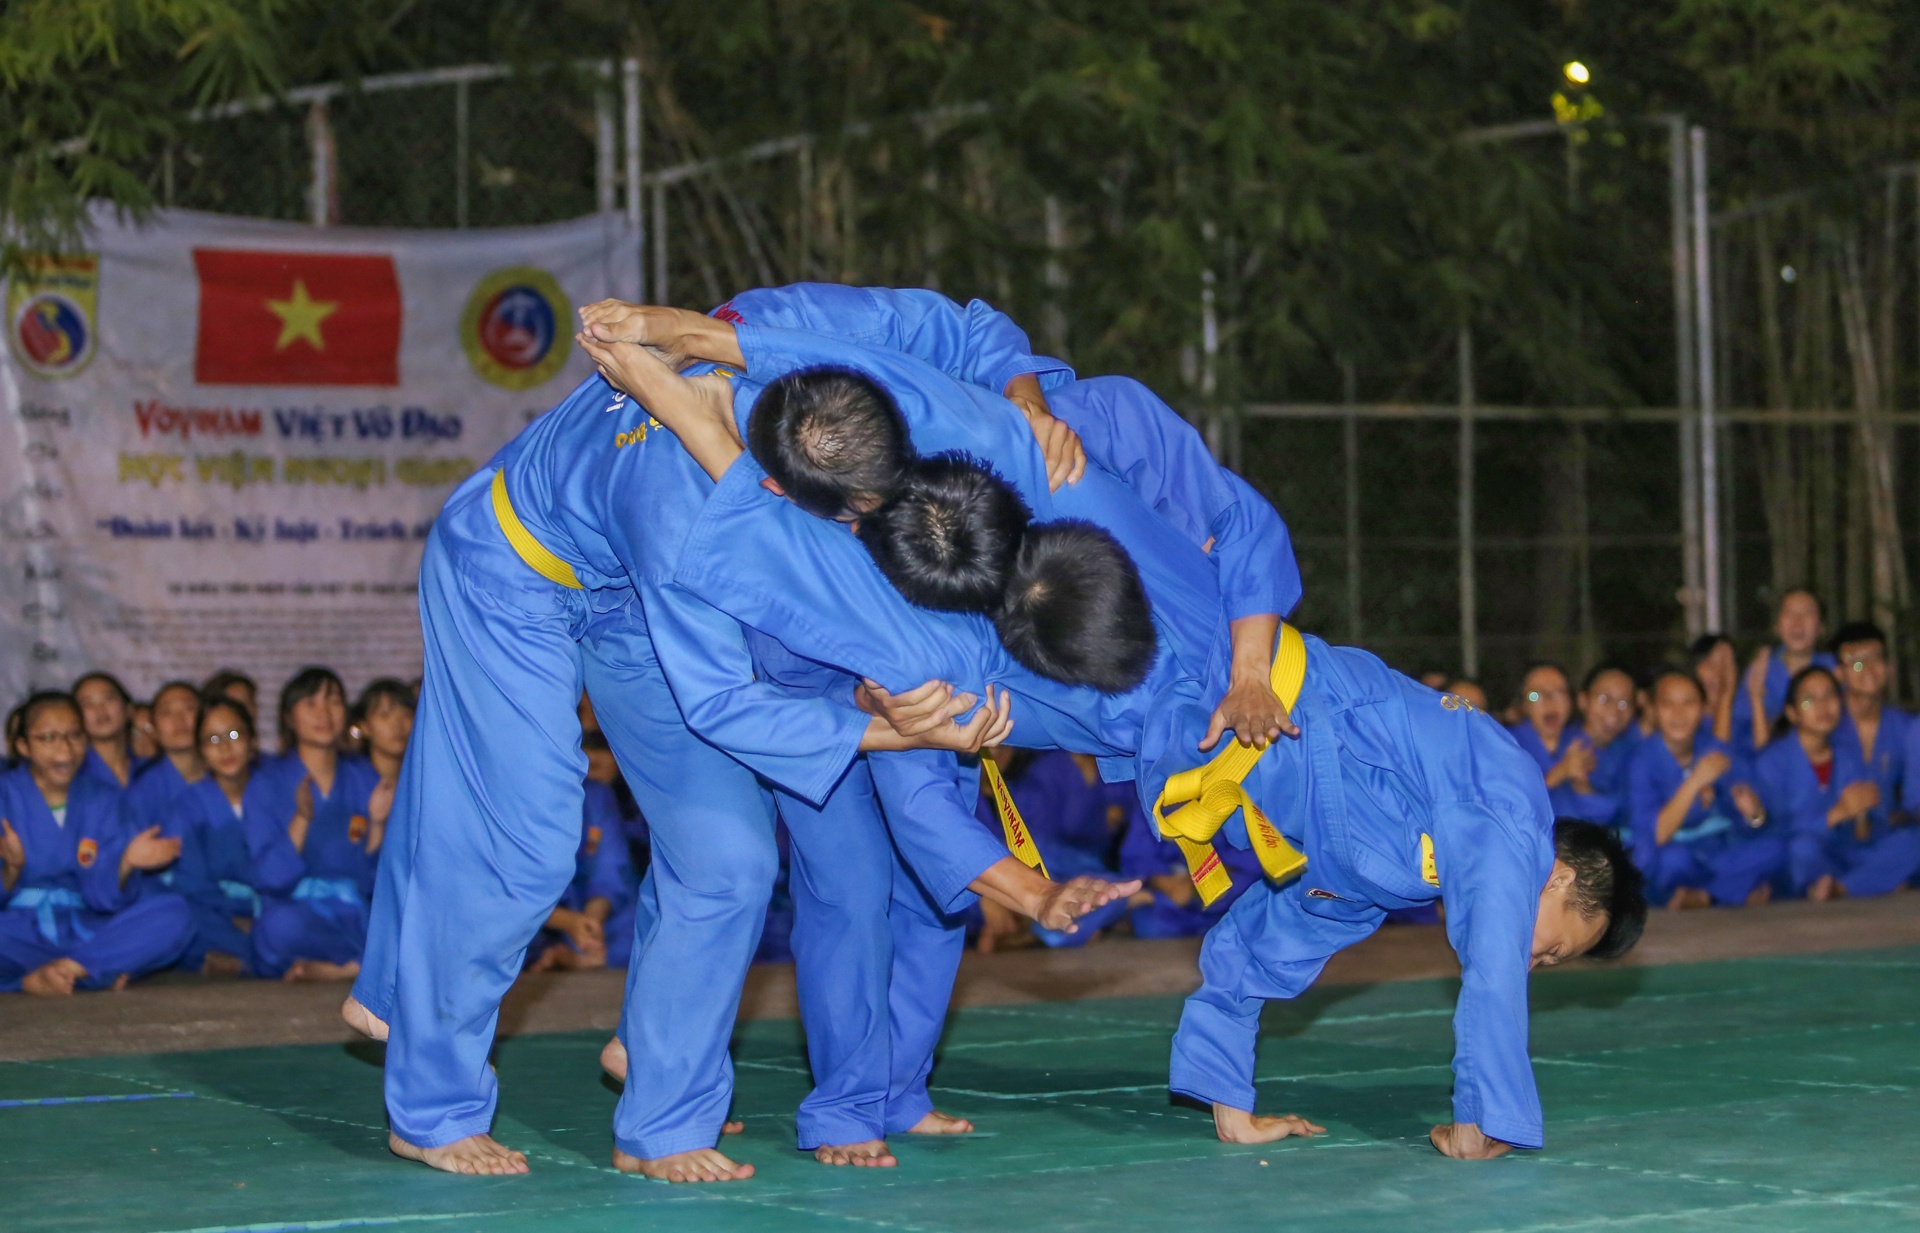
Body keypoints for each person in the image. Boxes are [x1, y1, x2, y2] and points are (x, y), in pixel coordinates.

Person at [626, 333, 1639, 1160]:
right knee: (1023, 458)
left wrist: (1227, 1099)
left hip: (1136, 728)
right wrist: (1486, 1119)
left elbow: (1259, 948)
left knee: (914, 673)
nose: (1537, 955)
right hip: (1201, 646)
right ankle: (743, 375)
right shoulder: (1508, 802)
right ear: (1561, 873)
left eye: (1550, 959)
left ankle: (724, 456)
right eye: (1562, 938)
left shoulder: (1387, 882)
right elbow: (1241, 523)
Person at [348, 286, 1107, 1182]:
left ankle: (663, 1122)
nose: (865, 530)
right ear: (777, 487)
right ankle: (433, 1103)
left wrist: (1024, 395)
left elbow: (962, 327)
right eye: (849, 518)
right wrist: (887, 734)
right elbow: (724, 705)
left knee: (729, 859)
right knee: (526, 839)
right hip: (512, 569)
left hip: (626, 603)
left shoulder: (795, 333)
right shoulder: (686, 515)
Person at [0, 692, 191, 994]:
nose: (65, 750)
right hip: (15, 933)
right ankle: (49, 979)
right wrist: (11, 870)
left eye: (75, 735)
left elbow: (102, 898)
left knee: (175, 914)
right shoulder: (5, 795)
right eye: (48, 738)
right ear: (24, 746)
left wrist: (126, 863)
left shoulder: (102, 797)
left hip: (85, 930)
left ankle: (71, 969)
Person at [250, 668, 387, 982]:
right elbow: (269, 878)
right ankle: (362, 964)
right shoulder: (266, 783)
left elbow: (377, 880)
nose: (324, 713)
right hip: (299, 914)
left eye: (334, 702)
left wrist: (378, 824)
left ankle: (343, 967)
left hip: (355, 913)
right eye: (310, 704)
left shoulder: (365, 778)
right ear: (288, 717)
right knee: (276, 928)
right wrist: (302, 818)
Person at [1752, 665, 1920, 901]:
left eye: (1830, 695)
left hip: (1845, 854)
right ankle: (1861, 883)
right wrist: (1836, 814)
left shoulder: (1848, 757)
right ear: (1792, 713)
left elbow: (1867, 832)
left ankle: (1841, 888)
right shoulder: (1771, 761)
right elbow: (1772, 830)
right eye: (1810, 700)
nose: (1823, 706)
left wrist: (1862, 818)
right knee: (1800, 849)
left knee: (1911, 841)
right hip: (1802, 856)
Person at [1625, 669, 1780, 910]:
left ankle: (1706, 897)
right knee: (1668, 861)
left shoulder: (1715, 750)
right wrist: (1696, 782)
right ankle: (1731, 893)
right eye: (1668, 704)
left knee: (1775, 849)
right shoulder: (1642, 760)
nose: (1679, 713)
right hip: (1675, 855)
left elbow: (1754, 819)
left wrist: (1753, 812)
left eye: (1689, 703)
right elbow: (1657, 834)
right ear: (1654, 710)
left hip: (1718, 854)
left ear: (1703, 709)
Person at [172, 696, 272, 976]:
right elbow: (190, 882)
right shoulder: (189, 804)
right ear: (201, 751)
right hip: (217, 915)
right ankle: (257, 962)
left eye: (234, 734)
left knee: (296, 924)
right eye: (213, 740)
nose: (225, 748)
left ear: (253, 740)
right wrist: (235, 914)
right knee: (176, 918)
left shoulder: (277, 792)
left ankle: (242, 963)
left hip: (274, 910)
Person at [529, 773, 638, 970]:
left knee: (642, 936)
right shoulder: (507, 796)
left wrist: (589, 926)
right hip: (528, 914)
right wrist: (565, 921)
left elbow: (610, 870)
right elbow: (494, 886)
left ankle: (578, 956)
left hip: (587, 911)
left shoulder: (595, 795)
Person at [1508, 663, 1612, 826]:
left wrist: (1581, 783)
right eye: (1536, 695)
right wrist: (1560, 772)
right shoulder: (1508, 744)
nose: (1549, 702)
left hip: (1576, 846)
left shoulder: (1583, 743)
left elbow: (1606, 815)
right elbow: (1507, 807)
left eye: (1559, 693)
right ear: (1523, 706)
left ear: (1572, 701)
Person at [122, 681, 207, 876]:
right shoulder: (142, 791)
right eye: (167, 713)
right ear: (154, 728)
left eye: (189, 709)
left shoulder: (227, 778)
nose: (179, 720)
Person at [1830, 621, 1908, 833]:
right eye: (1857, 663)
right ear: (1839, 673)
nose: (1869, 669)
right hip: (1833, 838)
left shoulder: (1905, 727)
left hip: (1889, 839)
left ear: (1889, 668)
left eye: (1876, 659)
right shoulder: (1824, 724)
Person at [1735, 590, 1834, 754]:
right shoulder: (1761, 669)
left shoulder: (1833, 668)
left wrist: (1854, 664)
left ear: (1821, 627)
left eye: (1807, 613)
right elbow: (1742, 730)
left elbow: (1858, 662)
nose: (1797, 622)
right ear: (1777, 626)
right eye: (1789, 613)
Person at [1576, 663, 1643, 833]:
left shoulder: (1632, 752)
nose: (1614, 711)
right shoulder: (1561, 747)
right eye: (1604, 699)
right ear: (1583, 700)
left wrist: (1584, 788)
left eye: (1624, 703)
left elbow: (1632, 811)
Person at [72, 672, 144, 790]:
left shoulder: (148, 769)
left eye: (108, 699)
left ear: (128, 710)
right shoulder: (72, 773)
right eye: (88, 704)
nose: (100, 710)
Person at [1688, 635, 1739, 746]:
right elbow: (1718, 753)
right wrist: (1726, 694)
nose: (1718, 673)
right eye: (1711, 664)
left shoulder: (1744, 717)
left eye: (1725, 667)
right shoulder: (1686, 720)